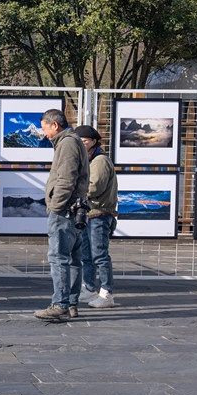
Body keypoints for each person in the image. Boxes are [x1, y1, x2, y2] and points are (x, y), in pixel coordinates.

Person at [34, 109, 90, 321]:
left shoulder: (66, 143)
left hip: (64, 211)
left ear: (55, 125)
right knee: (74, 259)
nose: (44, 134)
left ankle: (60, 305)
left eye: (45, 128)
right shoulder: (73, 141)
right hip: (75, 209)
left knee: (59, 259)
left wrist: (56, 207)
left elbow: (66, 179)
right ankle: (71, 303)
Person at [74, 125, 117, 308]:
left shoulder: (100, 161)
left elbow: (94, 187)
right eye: (79, 142)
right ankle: (90, 289)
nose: (81, 145)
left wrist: (73, 189)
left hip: (99, 214)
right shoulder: (91, 160)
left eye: (84, 141)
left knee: (100, 255)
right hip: (90, 214)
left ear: (93, 142)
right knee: (87, 256)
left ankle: (107, 293)